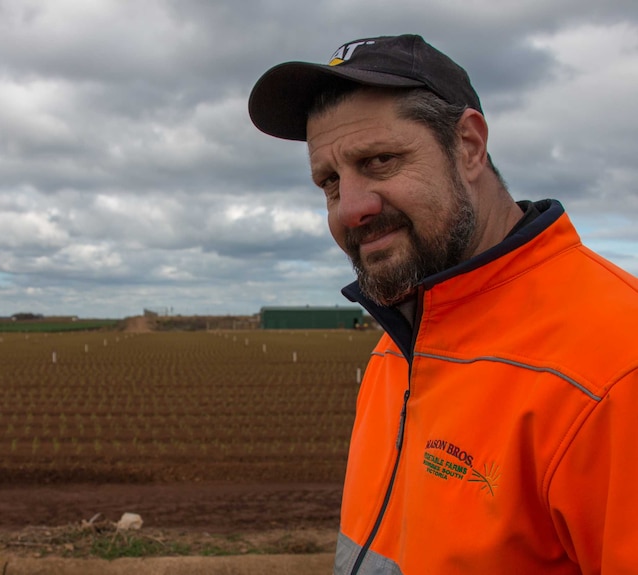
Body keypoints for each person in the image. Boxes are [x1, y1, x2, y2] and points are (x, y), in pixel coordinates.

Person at [248, 34, 638, 574]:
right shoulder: (399, 348)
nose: (351, 209)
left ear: (470, 146)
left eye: (380, 160)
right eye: (331, 182)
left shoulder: (616, 371)